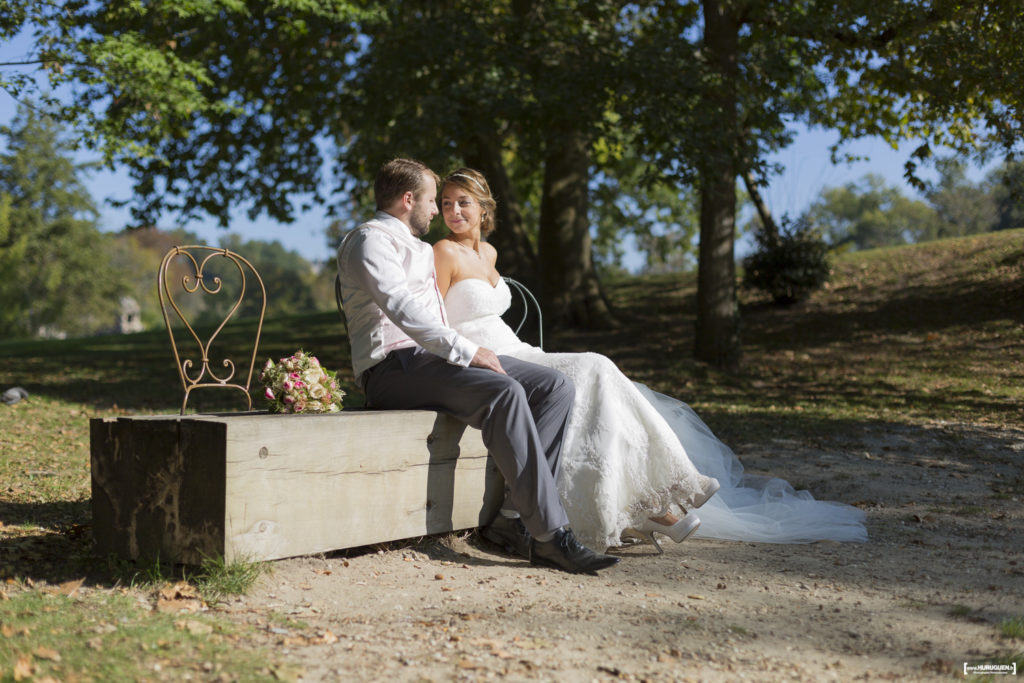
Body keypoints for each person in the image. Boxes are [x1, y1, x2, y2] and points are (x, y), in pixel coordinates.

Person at [433, 167, 868, 552]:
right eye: (447, 203)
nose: (454, 211)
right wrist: (460, 356)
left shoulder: (489, 254)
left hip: (521, 351)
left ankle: (647, 501)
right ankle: (646, 506)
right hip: (481, 356)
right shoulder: (443, 252)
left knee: (598, 375)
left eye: (463, 203)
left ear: (484, 208)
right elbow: (427, 316)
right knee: (593, 368)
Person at [336, 158, 619, 574]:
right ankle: (550, 536)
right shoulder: (370, 240)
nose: (437, 211)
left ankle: (510, 521)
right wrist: (467, 351)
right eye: (433, 200)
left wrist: (466, 349)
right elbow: (401, 310)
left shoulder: (416, 247)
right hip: (392, 367)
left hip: (430, 360)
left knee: (553, 387)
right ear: (408, 199)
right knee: (504, 391)